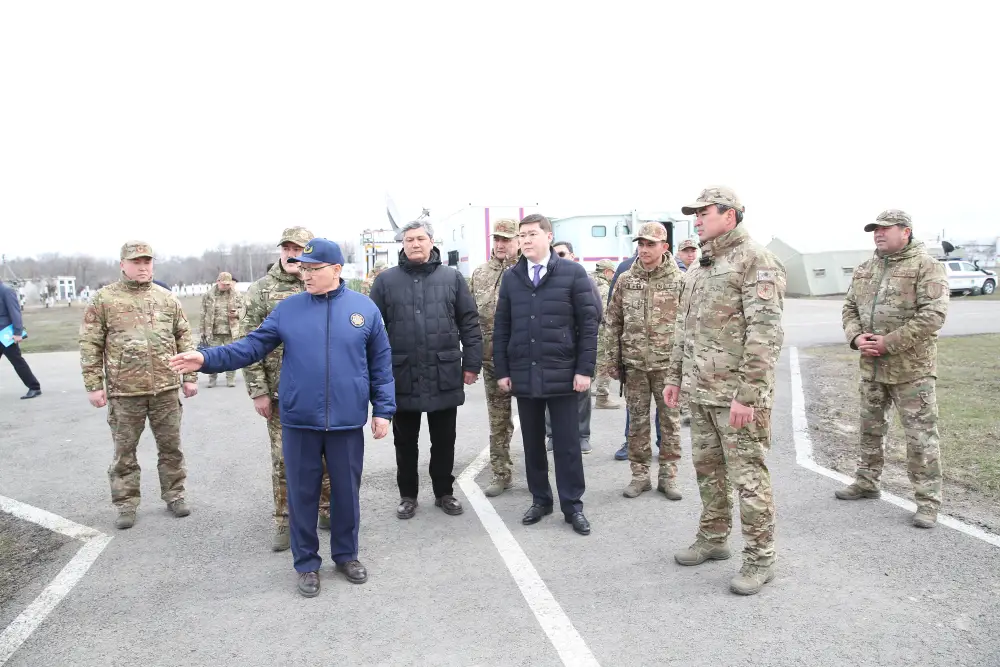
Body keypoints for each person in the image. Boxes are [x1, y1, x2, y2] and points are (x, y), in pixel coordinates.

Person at [169, 238, 395, 598]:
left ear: (336, 270)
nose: (305, 274)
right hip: (300, 419)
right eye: (302, 267)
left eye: (313, 268)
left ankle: (346, 555)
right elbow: (250, 346)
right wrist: (206, 358)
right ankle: (306, 563)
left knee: (347, 493)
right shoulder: (289, 310)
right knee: (301, 494)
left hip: (347, 420)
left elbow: (381, 364)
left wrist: (383, 410)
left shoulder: (363, 309)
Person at [663, 186, 786, 596]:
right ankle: (714, 538)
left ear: (729, 215)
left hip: (736, 397)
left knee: (748, 478)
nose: (697, 219)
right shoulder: (701, 265)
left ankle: (760, 558)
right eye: (694, 214)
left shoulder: (756, 260)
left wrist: (748, 395)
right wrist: (674, 377)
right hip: (701, 392)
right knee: (709, 473)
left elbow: (765, 333)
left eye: (704, 212)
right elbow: (685, 328)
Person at [837, 210, 949, 528]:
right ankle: (867, 481)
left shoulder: (926, 266)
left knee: (920, 437)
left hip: (912, 370)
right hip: (871, 365)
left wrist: (889, 343)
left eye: (886, 229)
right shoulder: (865, 268)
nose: (878, 234)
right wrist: (857, 338)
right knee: (870, 429)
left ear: (906, 232)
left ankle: (927, 502)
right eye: (875, 229)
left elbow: (933, 315)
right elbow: (849, 308)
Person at [79, 241, 198, 529]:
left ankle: (175, 495)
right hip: (125, 392)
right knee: (124, 452)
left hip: (165, 390)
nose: (143, 267)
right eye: (136, 262)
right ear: (123, 265)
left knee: (171, 447)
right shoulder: (104, 299)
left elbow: (184, 337)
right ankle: (126, 503)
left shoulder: (167, 298)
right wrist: (94, 385)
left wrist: (190, 377)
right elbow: (90, 344)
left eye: (147, 262)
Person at [493, 214, 599, 535]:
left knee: (567, 445)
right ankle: (541, 499)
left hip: (564, 375)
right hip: (525, 374)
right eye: (522, 236)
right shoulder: (512, 278)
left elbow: (589, 326)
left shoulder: (572, 273)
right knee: (532, 444)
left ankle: (573, 505)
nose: (525, 240)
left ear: (549, 237)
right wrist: (503, 370)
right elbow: (502, 328)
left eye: (532, 234)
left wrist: (584, 370)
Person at [370, 220, 483, 519]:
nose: (415, 244)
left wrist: (472, 363)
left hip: (443, 372)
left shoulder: (452, 278)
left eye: (420, 238)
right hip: (402, 373)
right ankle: (408, 496)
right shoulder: (385, 281)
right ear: (402, 245)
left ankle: (444, 492)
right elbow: (372, 330)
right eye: (409, 240)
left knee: (444, 440)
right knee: (404, 442)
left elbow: (469, 322)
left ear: (432, 242)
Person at [240, 226, 333, 551]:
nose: (293, 254)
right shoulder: (261, 291)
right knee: (285, 460)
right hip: (281, 396)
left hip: (323, 393)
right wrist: (259, 390)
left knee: (327, 458)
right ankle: (284, 519)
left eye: (300, 248)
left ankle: (326, 509)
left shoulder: (325, 285)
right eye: (288, 247)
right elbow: (248, 344)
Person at [603, 223, 684, 500]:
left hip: (668, 368)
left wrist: (685, 365)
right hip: (635, 365)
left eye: (651, 244)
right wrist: (612, 360)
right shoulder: (627, 279)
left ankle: (668, 477)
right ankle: (639, 477)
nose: (645, 249)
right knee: (637, 423)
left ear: (665, 247)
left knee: (670, 423)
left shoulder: (679, 281)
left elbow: (690, 325)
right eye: (641, 244)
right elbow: (612, 321)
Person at [469, 218, 520, 497]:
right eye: (497, 239)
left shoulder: (528, 271)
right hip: (492, 362)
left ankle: (540, 475)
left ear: (518, 241)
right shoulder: (480, 274)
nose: (500, 245)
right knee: (498, 421)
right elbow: (469, 318)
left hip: (526, 362)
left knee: (536, 421)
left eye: (506, 239)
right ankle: (501, 473)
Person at [543, 240, 603, 455]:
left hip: (577, 347)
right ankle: (551, 436)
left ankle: (582, 435)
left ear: (573, 256)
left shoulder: (584, 280)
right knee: (549, 394)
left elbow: (596, 314)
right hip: (552, 351)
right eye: (555, 253)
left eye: (562, 253)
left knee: (581, 394)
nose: (558, 257)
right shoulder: (543, 281)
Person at [200, 271, 243, 388]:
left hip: (231, 331)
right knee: (212, 356)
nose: (226, 286)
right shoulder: (208, 295)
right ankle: (212, 379)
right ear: (217, 281)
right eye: (223, 284)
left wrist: (237, 313)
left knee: (231, 356)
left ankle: (231, 379)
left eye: (228, 284)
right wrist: (202, 331)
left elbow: (245, 310)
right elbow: (203, 314)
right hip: (213, 332)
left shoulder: (236, 295)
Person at [0, 278, 41, 399]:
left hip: (6, 335)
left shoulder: (6, 291)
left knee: (17, 361)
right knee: (17, 361)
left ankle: (34, 387)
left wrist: (18, 332)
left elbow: (15, 312)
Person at [591, 259, 620, 410]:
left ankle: (587, 389)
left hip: (588, 330)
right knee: (603, 363)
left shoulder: (588, 281)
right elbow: (605, 313)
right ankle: (602, 397)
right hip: (601, 330)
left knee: (592, 361)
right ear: (607, 272)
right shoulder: (603, 288)